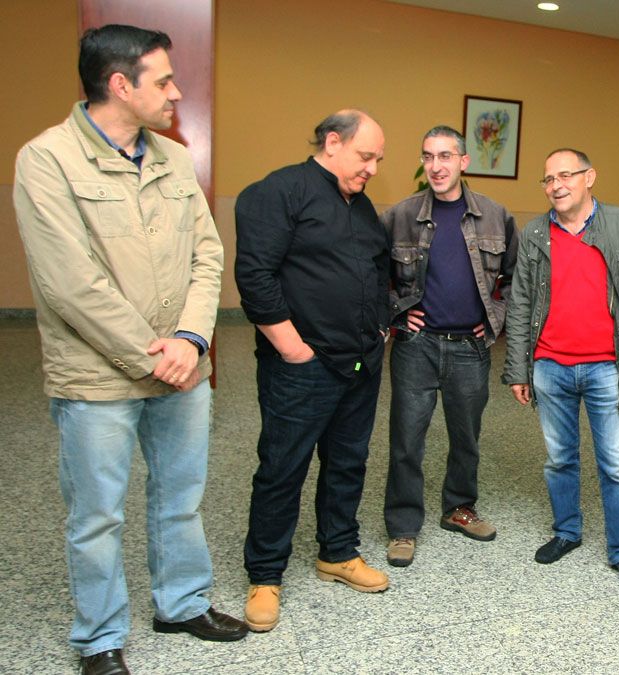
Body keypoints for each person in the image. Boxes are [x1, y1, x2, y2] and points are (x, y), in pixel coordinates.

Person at [13, 24, 245, 674]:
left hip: (183, 370)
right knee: (96, 516)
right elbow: (70, 284)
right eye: (164, 80)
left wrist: (193, 338)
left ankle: (182, 602)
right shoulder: (46, 159)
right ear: (121, 84)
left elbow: (208, 253)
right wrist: (155, 353)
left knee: (180, 496)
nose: (176, 92)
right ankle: (100, 637)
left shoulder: (173, 157)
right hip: (96, 378)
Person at [235, 110, 391, 633]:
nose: (372, 168)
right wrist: (291, 347)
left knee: (348, 462)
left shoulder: (362, 207)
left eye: (377, 160)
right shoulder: (280, 191)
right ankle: (264, 575)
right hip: (303, 366)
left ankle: (337, 552)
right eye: (365, 156)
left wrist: (382, 329)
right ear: (332, 142)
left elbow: (377, 271)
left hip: (360, 363)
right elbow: (255, 274)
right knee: (283, 468)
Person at [502, 148, 619, 593]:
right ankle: (567, 532)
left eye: (565, 175)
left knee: (617, 465)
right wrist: (518, 369)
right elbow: (520, 305)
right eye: (548, 178)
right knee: (559, 459)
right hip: (550, 367)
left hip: (609, 367)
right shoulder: (535, 233)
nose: (556, 185)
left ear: (590, 177)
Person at [379, 126, 517, 567]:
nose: (435, 166)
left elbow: (517, 280)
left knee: (466, 437)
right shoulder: (399, 216)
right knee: (406, 439)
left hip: (469, 350)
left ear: (463, 161)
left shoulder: (496, 216)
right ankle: (403, 526)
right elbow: (368, 277)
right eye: (427, 156)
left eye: (445, 156)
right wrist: (397, 312)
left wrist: (493, 318)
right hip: (416, 346)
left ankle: (459, 508)